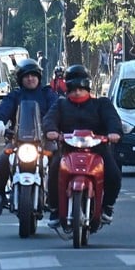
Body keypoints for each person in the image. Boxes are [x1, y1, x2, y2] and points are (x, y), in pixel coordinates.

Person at [43, 64, 123, 228]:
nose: (77, 92)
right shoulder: (60, 105)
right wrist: (51, 130)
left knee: (114, 174)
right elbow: (49, 119)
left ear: (88, 87)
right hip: (67, 149)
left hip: (97, 149)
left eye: (81, 88)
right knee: (54, 171)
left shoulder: (102, 104)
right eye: (73, 89)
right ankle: (55, 209)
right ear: (67, 89)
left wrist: (114, 133)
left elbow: (113, 120)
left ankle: (107, 207)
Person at [0, 58, 59, 215]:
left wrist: (54, 128)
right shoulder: (15, 95)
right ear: (20, 79)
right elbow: (4, 109)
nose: (30, 78)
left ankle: (56, 200)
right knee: (2, 160)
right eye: (26, 76)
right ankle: (0, 195)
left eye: (33, 75)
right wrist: (0, 122)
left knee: (58, 162)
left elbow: (57, 109)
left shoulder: (47, 94)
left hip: (44, 140)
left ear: (39, 77)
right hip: (18, 140)